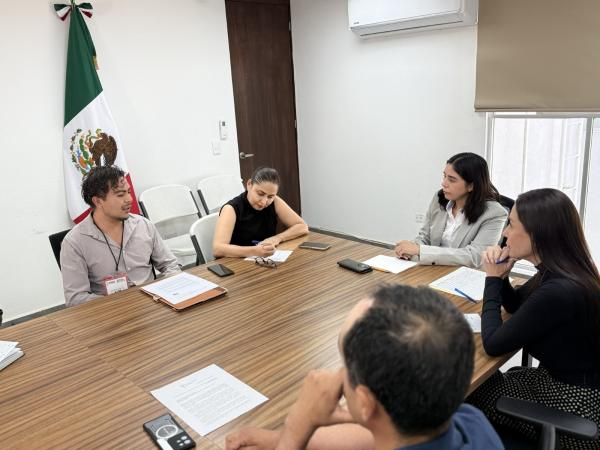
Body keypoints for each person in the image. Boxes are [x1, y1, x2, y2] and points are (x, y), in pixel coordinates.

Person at [225, 285, 503, 450]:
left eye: (345, 366)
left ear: (365, 402)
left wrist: (297, 425)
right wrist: (276, 439)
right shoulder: (471, 421)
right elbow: (379, 434)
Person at [467, 188, 600, 449]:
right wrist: (503, 276)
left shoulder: (559, 290)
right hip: (568, 385)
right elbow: (517, 305)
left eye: (511, 225)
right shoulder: (562, 271)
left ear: (538, 234)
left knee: (466, 388)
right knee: (496, 376)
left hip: (574, 407)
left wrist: (492, 278)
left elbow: (493, 344)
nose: (505, 233)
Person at [60, 165, 180, 307]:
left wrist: (166, 292)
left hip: (153, 306)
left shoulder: (143, 225)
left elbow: (170, 265)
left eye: (128, 192)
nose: (129, 199)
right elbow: (76, 298)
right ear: (98, 201)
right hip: (110, 312)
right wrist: (122, 304)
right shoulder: (74, 242)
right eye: (120, 195)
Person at [395, 152, 507, 268]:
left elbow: (475, 256)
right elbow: (425, 237)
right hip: (432, 269)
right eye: (444, 176)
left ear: (471, 185)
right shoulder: (439, 198)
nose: (444, 184)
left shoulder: (494, 213)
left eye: (452, 180)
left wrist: (420, 251)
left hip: (463, 274)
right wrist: (410, 249)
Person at [213, 167, 308, 258]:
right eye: (260, 194)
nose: (264, 202)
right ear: (249, 184)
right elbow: (217, 249)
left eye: (270, 197)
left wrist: (277, 238)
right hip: (235, 262)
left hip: (264, 260)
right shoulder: (231, 209)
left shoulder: (275, 201)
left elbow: (302, 227)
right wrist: (254, 251)